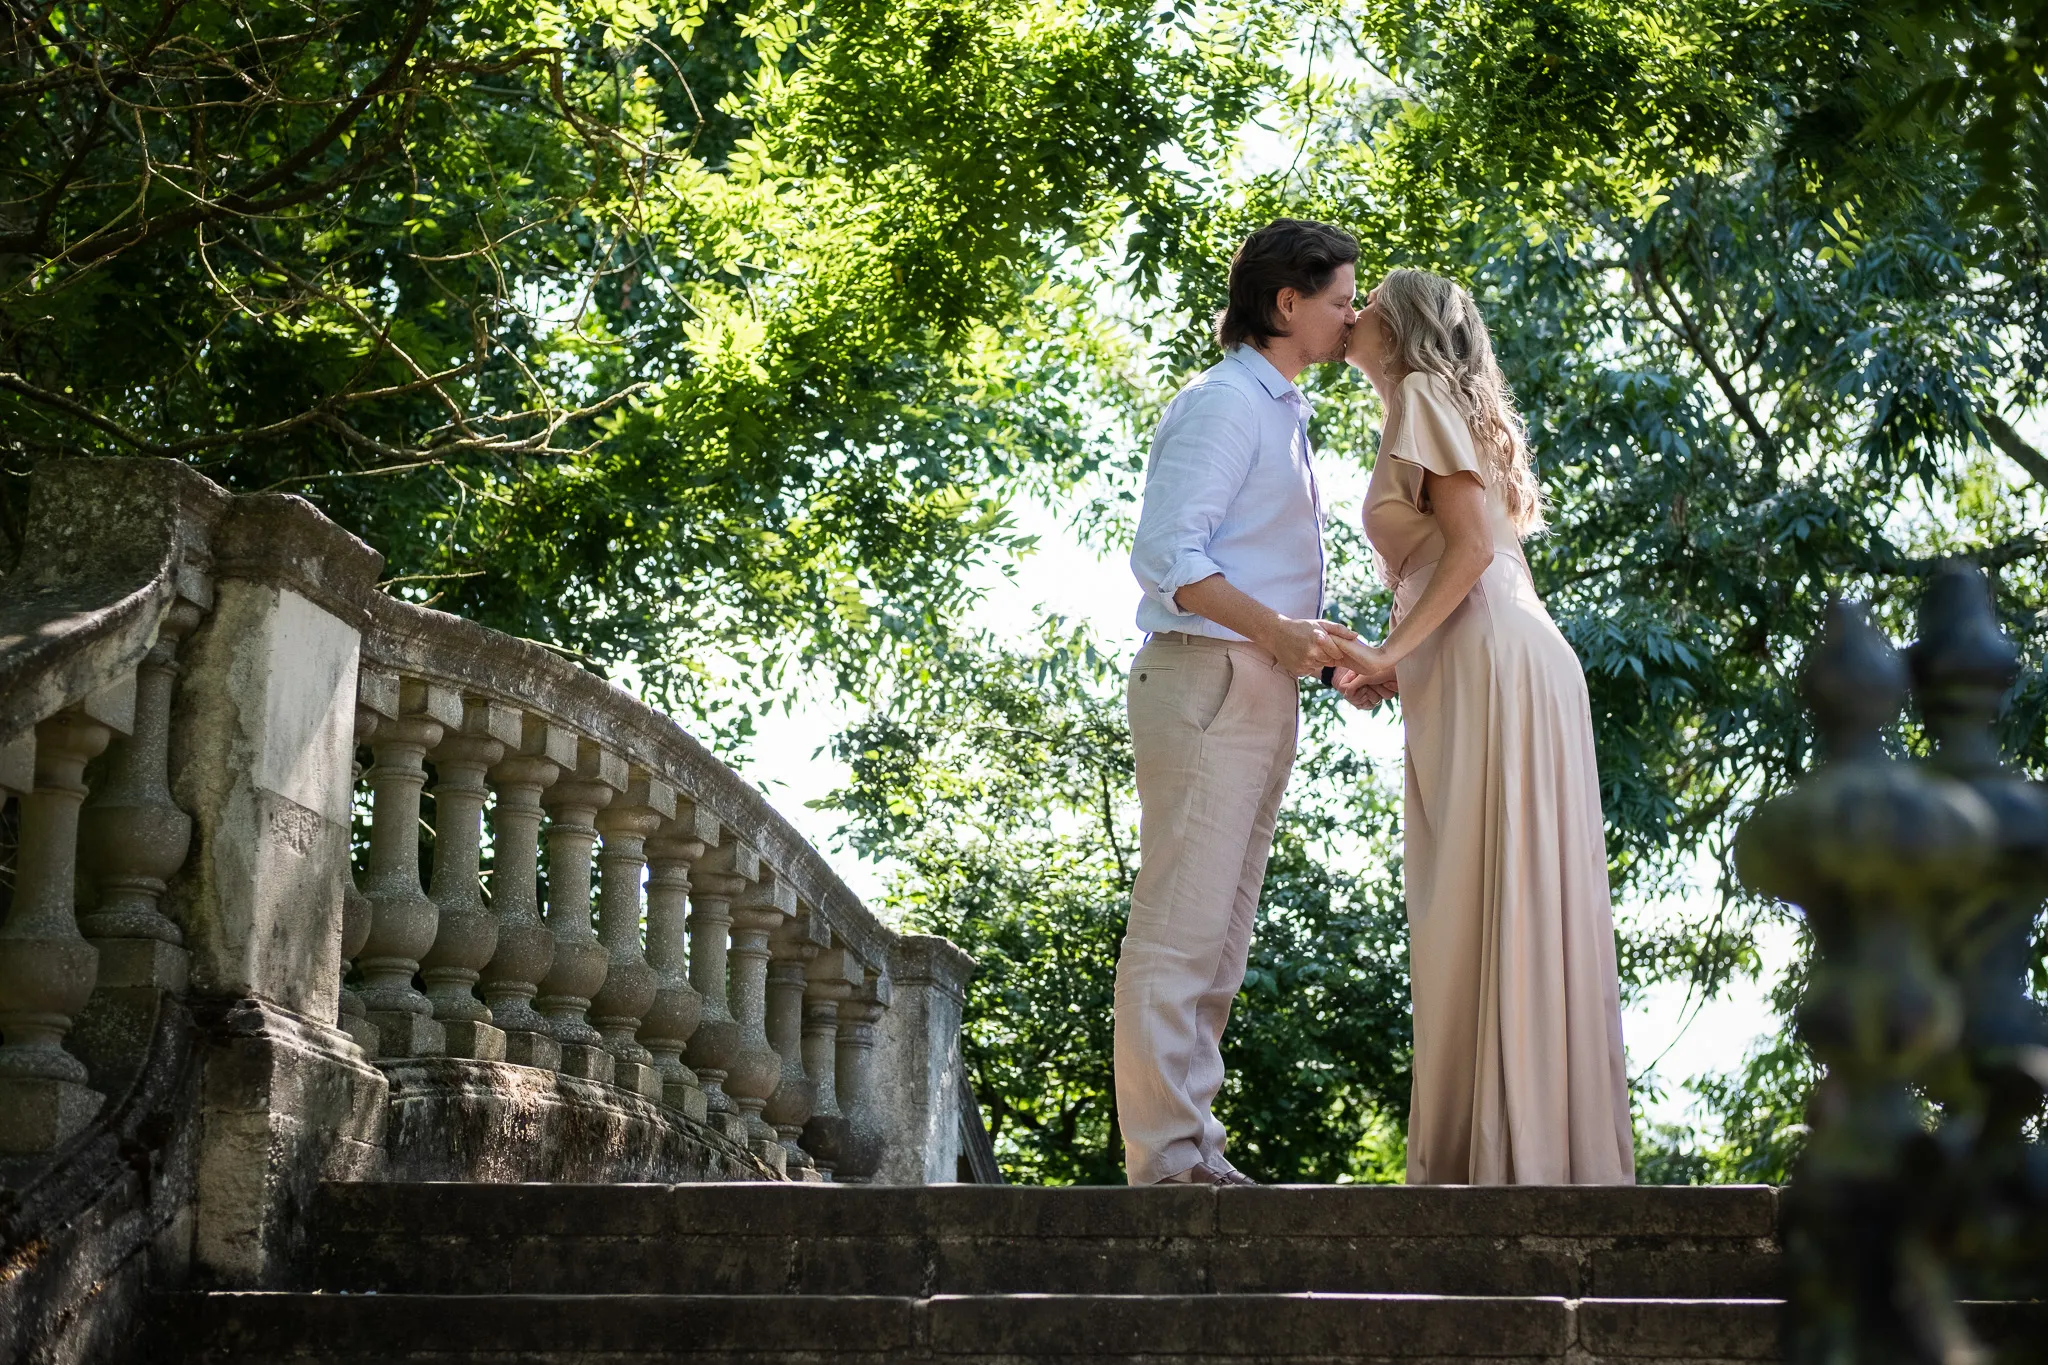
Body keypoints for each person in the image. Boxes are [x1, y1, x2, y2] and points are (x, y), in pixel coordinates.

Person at [1330, 267, 1635, 1185]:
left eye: (1368, 300)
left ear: (1403, 324)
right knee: (1487, 901)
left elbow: (1467, 550)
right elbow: (1455, 559)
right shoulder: (1426, 404)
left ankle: (1505, 1159)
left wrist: (1388, 655)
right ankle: (1528, 1146)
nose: (1353, 312)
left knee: (1477, 900)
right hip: (1489, 658)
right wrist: (1394, 655)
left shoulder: (1420, 392)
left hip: (1491, 659)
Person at [1119, 219, 1363, 1186]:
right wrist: (1275, 632)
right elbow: (1170, 560)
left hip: (1257, 688)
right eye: (1340, 301)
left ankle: (1193, 1148)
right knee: (1179, 931)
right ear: (1286, 302)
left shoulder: (1283, 410)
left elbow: (1254, 568)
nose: (1352, 318)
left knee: (1220, 942)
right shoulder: (1226, 403)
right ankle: (1165, 1161)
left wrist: (1320, 643)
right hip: (1207, 679)